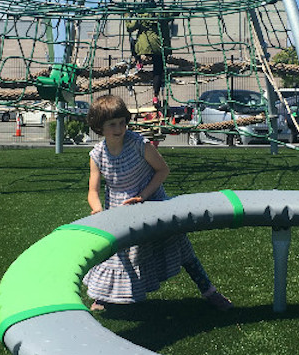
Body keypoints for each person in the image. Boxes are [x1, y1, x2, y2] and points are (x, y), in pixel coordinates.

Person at [83, 95, 231, 311]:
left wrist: (143, 196)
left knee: (180, 247)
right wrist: (97, 210)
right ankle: (103, 297)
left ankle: (209, 291)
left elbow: (163, 170)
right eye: (112, 124)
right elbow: (93, 190)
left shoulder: (139, 144)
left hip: (152, 202)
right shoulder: (97, 155)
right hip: (119, 209)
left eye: (122, 122)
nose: (119, 128)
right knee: (117, 255)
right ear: (99, 127)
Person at [126, 6, 172, 112]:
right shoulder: (160, 14)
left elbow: (129, 27)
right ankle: (155, 95)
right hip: (158, 47)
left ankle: (139, 62)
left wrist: (127, 15)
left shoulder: (141, 15)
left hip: (143, 48)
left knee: (133, 42)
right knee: (158, 71)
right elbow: (171, 15)